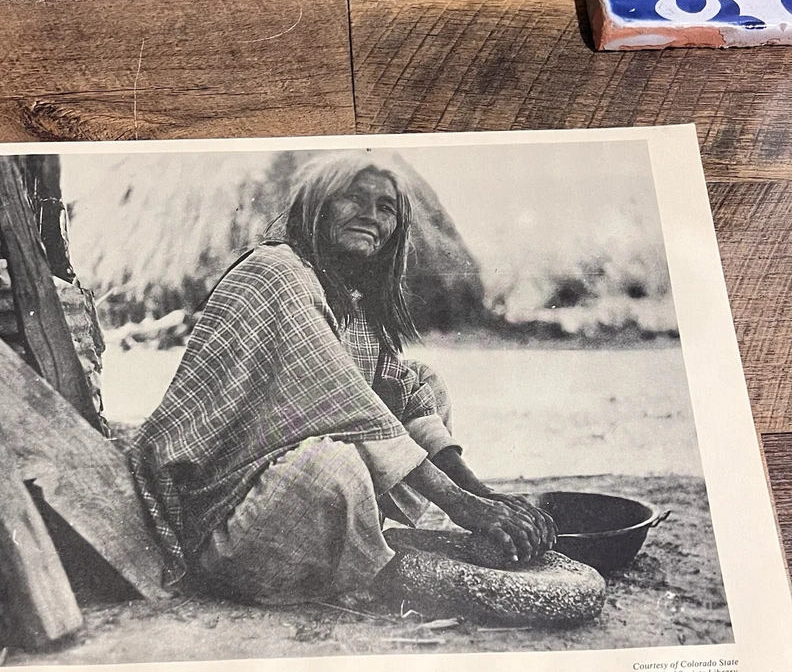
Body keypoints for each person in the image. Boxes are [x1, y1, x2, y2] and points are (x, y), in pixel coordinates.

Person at [130, 152, 555, 605]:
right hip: (226, 524)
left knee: (423, 384)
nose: (371, 217)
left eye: (386, 207)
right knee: (332, 467)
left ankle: (359, 542)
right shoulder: (277, 274)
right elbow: (344, 405)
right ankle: (382, 573)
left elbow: (402, 401)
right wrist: (463, 507)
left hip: (282, 503)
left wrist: (484, 495)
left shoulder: (352, 297)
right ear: (317, 206)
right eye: (353, 200)